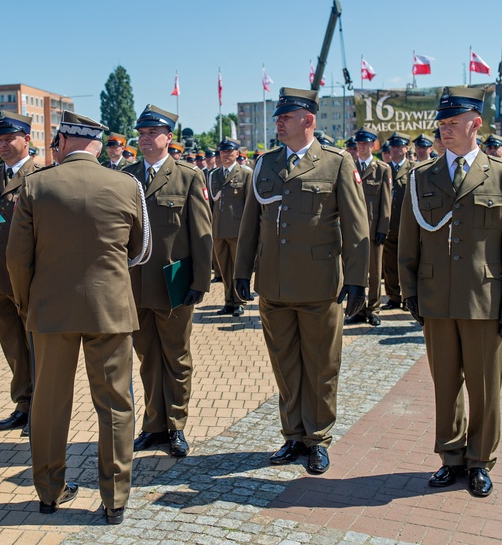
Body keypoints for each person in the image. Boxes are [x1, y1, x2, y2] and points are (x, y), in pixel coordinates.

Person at [7, 111, 149, 525]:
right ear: (95, 142)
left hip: (50, 311)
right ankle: (115, 499)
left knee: (48, 407)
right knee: (116, 406)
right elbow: (139, 248)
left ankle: (49, 492)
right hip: (111, 310)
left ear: (65, 140)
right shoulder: (126, 184)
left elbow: (17, 259)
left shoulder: (36, 185)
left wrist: (25, 303)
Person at [399, 86, 502, 498]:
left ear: (476, 124)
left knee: (485, 386)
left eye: (453, 123)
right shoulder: (422, 176)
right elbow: (408, 241)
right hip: (437, 296)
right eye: (442, 123)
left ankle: (480, 461)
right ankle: (450, 456)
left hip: (485, 298)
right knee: (445, 384)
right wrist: (410, 290)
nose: (445, 130)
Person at [235, 87, 370, 475]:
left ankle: (318, 438)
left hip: (319, 285)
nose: (278, 122)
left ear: (308, 120)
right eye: (278, 116)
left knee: (321, 366)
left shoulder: (336, 163)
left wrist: (358, 279)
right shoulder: (265, 164)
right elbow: (251, 224)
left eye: (285, 117)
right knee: (286, 365)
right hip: (274, 285)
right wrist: (241, 272)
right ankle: (293, 435)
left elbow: (356, 227)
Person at [123, 104, 212, 458]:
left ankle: (175, 426)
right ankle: (153, 425)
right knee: (148, 358)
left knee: (176, 357)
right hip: (136, 283)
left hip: (173, 281)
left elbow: (202, 233)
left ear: (168, 138)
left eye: (151, 133)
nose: (144, 139)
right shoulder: (126, 176)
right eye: (141, 133)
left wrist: (200, 282)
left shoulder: (188, 176)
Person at [0, 111, 37, 436]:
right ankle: (23, 404)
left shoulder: (39, 175)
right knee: (12, 347)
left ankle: (39, 409)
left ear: (26, 139)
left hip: (27, 279)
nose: (2, 144)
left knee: (34, 346)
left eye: (9, 138)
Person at [346, 127, 391, 327]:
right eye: (359, 143)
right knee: (356, 272)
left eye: (365, 143)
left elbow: (386, 202)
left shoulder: (382, 169)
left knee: (374, 273)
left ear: (373, 145)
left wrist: (383, 228)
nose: (361, 146)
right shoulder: (349, 166)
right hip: (354, 230)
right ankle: (358, 309)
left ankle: (373, 309)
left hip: (373, 231)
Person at [209, 137, 251, 317]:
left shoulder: (245, 173)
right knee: (224, 268)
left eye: (230, 151)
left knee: (237, 267)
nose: (226, 154)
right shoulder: (213, 175)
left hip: (237, 228)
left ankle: (239, 302)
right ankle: (228, 301)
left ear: (237, 153)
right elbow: (211, 203)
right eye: (223, 151)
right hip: (218, 229)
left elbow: (250, 204)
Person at [382, 132, 415, 311]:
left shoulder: (414, 169)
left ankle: (408, 297)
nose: (396, 150)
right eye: (393, 147)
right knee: (389, 264)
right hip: (389, 225)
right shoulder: (383, 169)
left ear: (406, 149)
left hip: (407, 225)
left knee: (407, 263)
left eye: (399, 146)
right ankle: (393, 297)